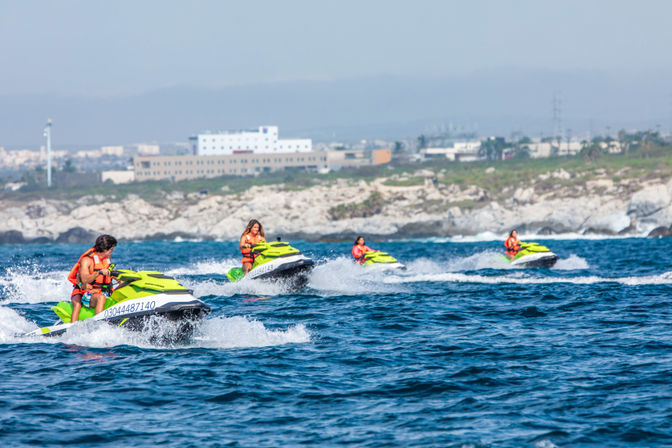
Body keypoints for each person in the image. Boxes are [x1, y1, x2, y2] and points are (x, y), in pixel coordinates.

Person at [68, 234, 118, 323]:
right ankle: (99, 326)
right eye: (111, 249)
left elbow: (112, 272)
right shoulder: (87, 260)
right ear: (105, 249)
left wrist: (121, 278)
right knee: (101, 298)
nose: (112, 251)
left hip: (106, 291)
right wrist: (98, 273)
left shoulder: (107, 258)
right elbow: (85, 280)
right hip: (89, 295)